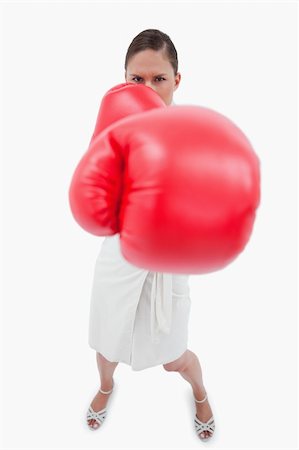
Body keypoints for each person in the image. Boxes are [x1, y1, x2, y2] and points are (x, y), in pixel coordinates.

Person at [86, 29, 215, 441]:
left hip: (167, 262)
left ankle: (199, 391)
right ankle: (106, 386)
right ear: (123, 80)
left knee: (174, 356)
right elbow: (94, 201)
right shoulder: (113, 129)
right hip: (120, 255)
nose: (147, 88)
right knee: (106, 345)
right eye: (136, 80)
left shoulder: (192, 136)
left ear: (176, 80)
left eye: (158, 79)